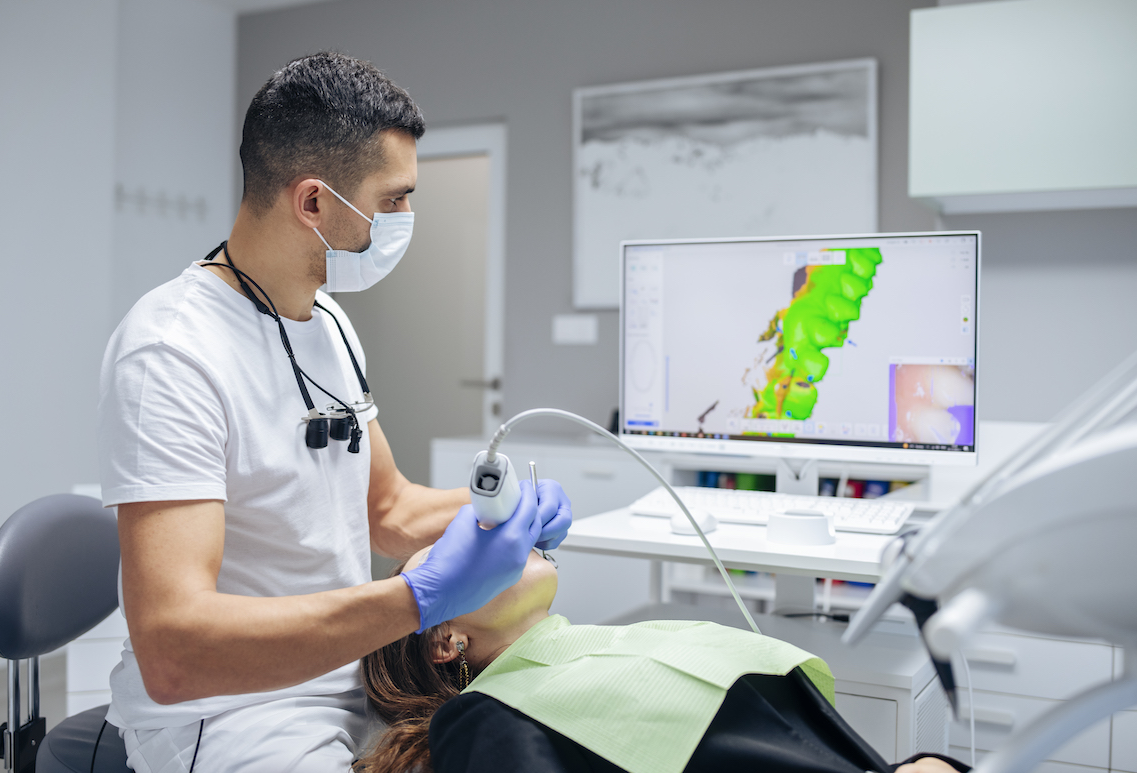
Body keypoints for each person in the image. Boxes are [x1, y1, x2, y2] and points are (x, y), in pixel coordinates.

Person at [97, 51, 572, 773]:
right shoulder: (172, 352)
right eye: (393, 200)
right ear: (313, 202)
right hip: (232, 714)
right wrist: (416, 598)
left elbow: (387, 508)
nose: (407, 219)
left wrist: (505, 514)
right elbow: (173, 651)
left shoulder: (328, 324)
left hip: (347, 677)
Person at [359, 547, 971, 773]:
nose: (485, 543)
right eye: (448, 558)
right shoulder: (483, 715)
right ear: (446, 641)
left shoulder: (619, 642)